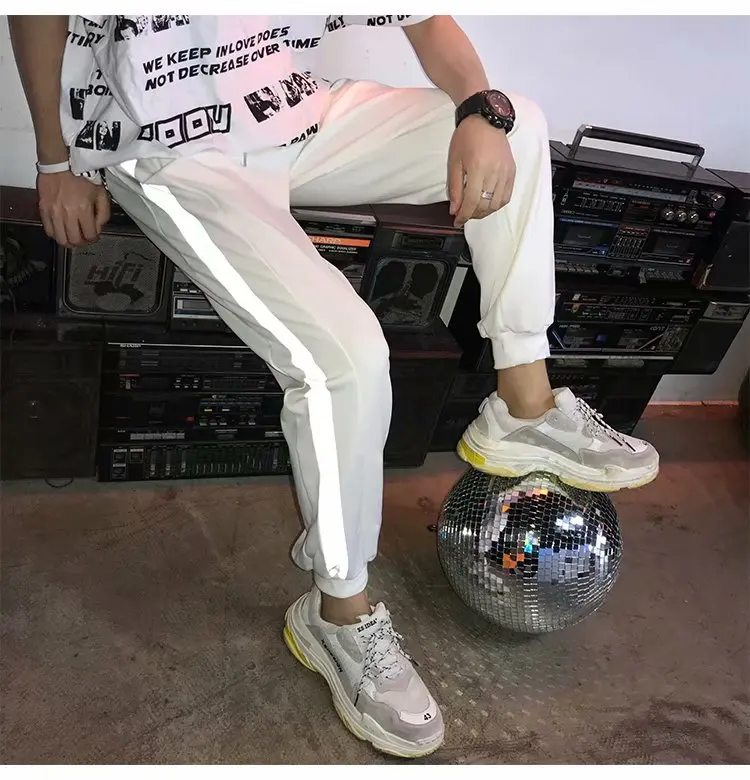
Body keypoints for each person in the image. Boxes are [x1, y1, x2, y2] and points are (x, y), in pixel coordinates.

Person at [9, 15, 659, 758]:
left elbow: (429, 22)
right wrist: (57, 162)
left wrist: (481, 109)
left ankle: (524, 402)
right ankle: (339, 611)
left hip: (292, 115)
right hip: (168, 151)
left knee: (520, 122)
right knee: (346, 359)